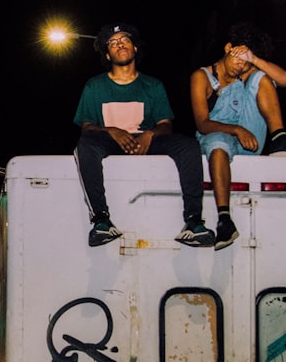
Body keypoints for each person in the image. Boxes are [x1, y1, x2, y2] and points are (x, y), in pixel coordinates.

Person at [74, 22, 215, 248]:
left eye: (125, 40)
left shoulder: (153, 85)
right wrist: (112, 131)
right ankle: (101, 220)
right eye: (113, 43)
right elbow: (87, 126)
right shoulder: (95, 86)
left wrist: (149, 135)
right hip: (110, 142)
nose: (120, 44)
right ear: (107, 55)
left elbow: (165, 124)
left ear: (135, 48)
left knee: (188, 145)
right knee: (85, 144)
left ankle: (194, 222)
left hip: (146, 141)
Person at [190, 21, 286, 250]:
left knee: (262, 78)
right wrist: (237, 130)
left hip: (249, 140)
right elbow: (202, 123)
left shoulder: (246, 73)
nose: (240, 66)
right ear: (228, 48)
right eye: (238, 58)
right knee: (218, 143)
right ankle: (225, 220)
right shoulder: (202, 76)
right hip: (217, 135)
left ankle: (280, 138)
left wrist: (253, 60)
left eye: (245, 62)